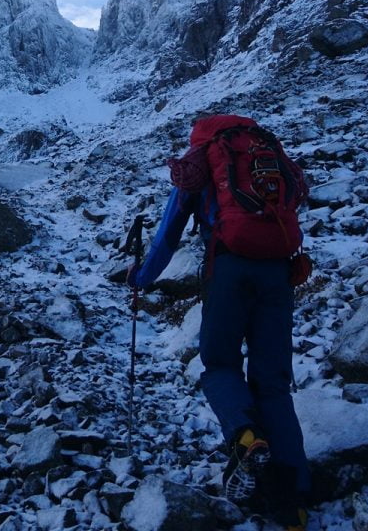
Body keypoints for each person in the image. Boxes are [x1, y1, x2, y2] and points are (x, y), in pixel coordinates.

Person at [128, 112, 311, 531]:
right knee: (274, 384)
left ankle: (246, 437)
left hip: (228, 269)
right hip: (279, 272)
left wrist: (140, 277)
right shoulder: (266, 153)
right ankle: (295, 502)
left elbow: (169, 233)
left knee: (219, 365)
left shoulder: (203, 158)